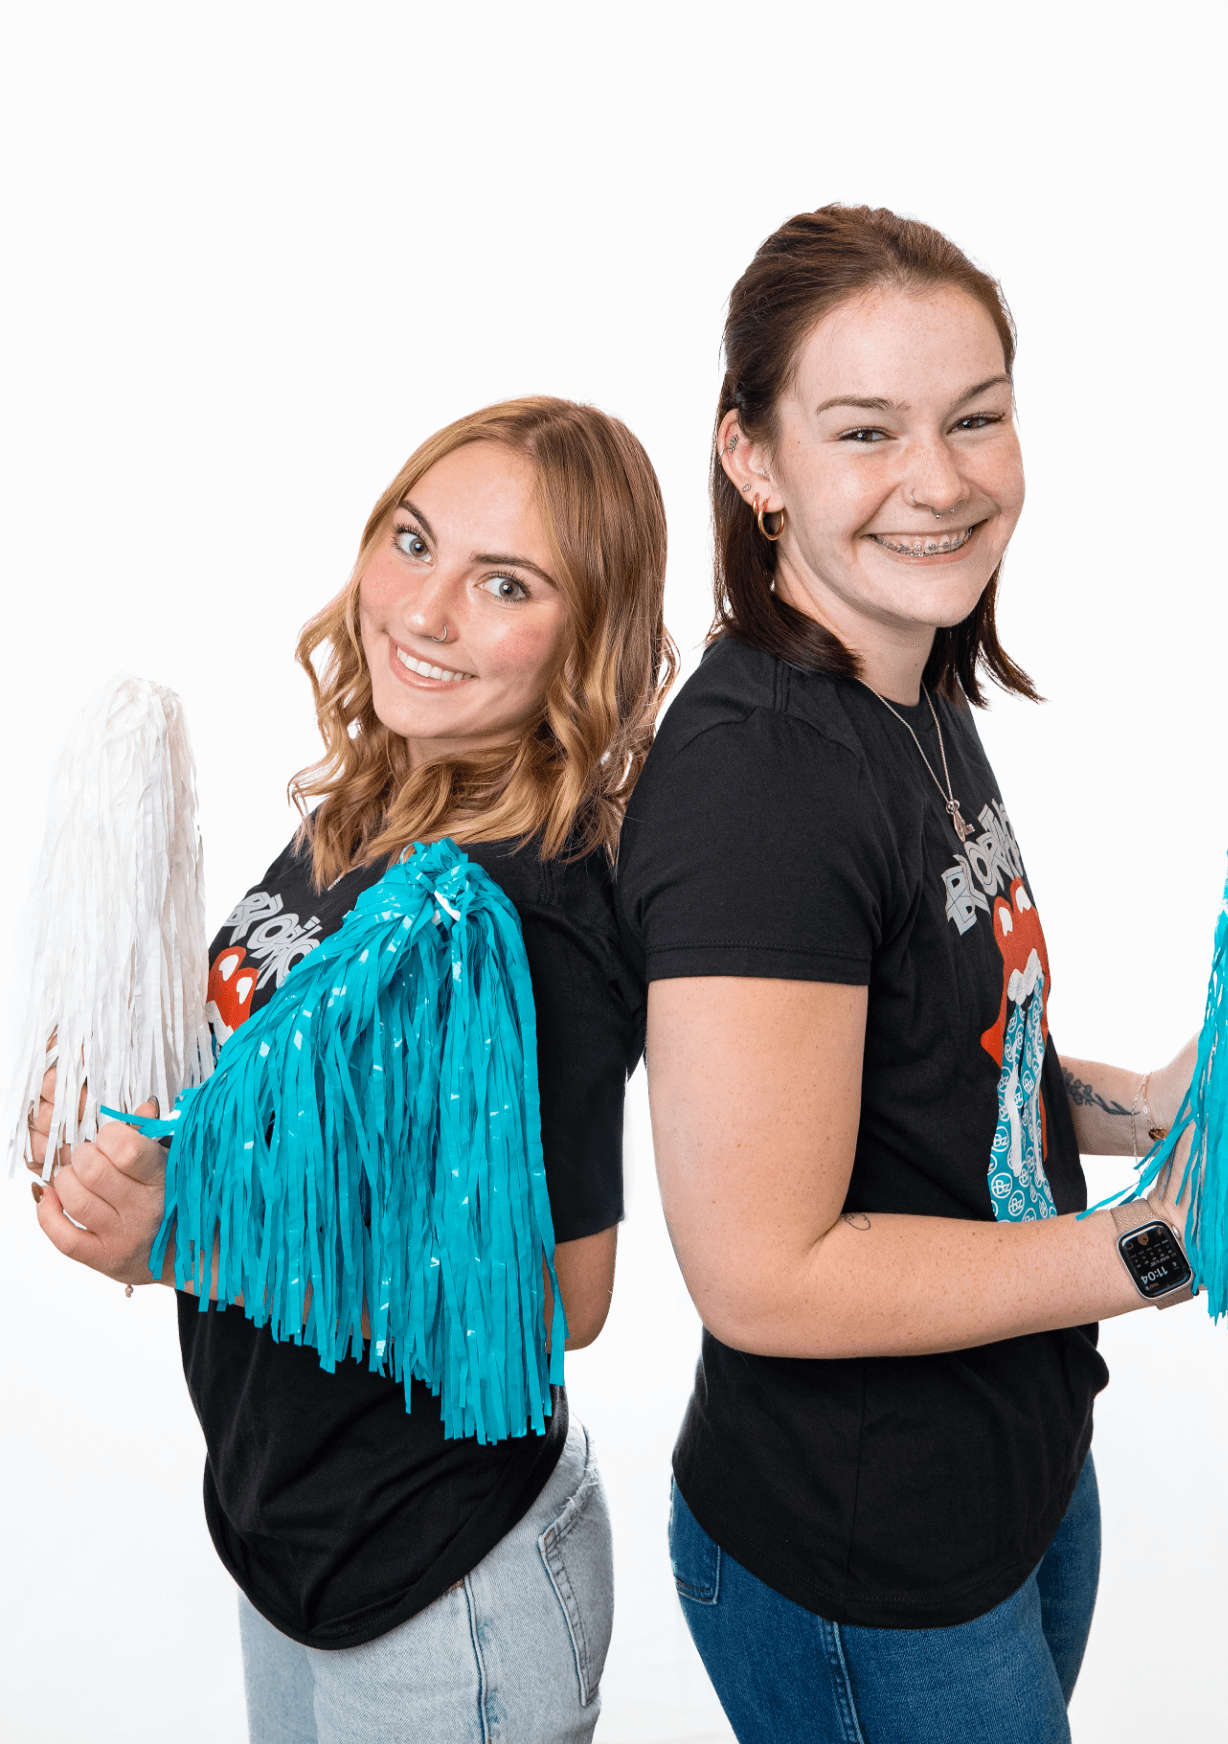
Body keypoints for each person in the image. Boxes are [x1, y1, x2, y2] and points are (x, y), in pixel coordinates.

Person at [614, 205, 1197, 1744]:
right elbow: (763, 1269)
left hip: (1013, 1473)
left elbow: (940, 1045)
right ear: (753, 461)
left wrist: (1144, 1100)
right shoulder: (760, 785)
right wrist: (1156, 1245)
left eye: (977, 418)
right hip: (871, 1569)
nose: (940, 480)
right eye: (864, 430)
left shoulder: (905, 676)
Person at [28, 396, 676, 1744]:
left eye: (503, 583)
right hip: (299, 1536)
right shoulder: (370, 808)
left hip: (447, 1590)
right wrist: (123, 1109)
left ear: (587, 634)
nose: (423, 612)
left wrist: (192, 1234)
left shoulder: (527, 907)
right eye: (412, 539)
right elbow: (302, 1119)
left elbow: (567, 1292)